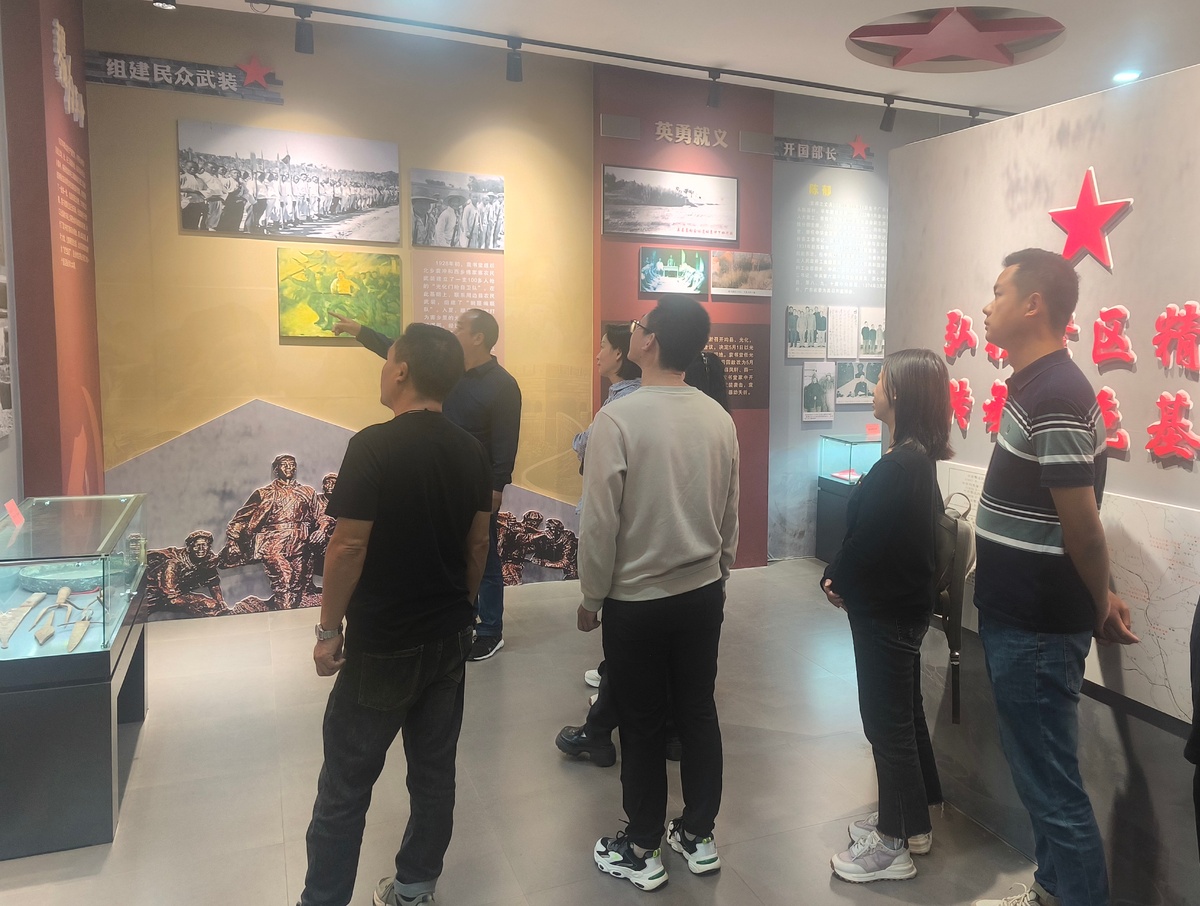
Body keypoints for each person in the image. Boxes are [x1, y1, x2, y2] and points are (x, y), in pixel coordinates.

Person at [297, 323, 492, 906]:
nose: (383, 371)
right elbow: (479, 544)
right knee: (433, 775)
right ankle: (415, 889)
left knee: (346, 783)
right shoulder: (471, 451)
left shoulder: (373, 446)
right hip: (448, 640)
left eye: (387, 363)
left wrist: (328, 630)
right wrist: (462, 609)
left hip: (382, 644)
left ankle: (323, 898)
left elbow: (347, 547)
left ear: (401, 370)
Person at [970, 249, 1139, 906]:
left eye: (999, 292)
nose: (988, 306)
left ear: (1033, 304)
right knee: (1038, 778)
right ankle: (1050, 890)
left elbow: (1084, 529)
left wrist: (1098, 599)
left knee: (1053, 790)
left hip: (1037, 626)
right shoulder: (1036, 387)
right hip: (1021, 616)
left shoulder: (1059, 393)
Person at [579, 295, 739, 891]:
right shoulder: (717, 417)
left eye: (638, 326)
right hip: (703, 592)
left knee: (642, 721)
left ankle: (642, 846)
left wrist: (592, 595)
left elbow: (600, 521)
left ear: (649, 342)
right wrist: (721, 567)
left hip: (637, 600)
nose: (632, 331)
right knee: (698, 710)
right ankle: (698, 835)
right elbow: (730, 506)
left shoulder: (618, 420)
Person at [820, 348, 951, 883]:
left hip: (887, 614)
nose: (872, 388)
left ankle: (893, 846)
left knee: (886, 724)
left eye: (879, 380)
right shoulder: (915, 460)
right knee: (903, 717)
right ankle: (911, 822)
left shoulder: (900, 467)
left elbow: (867, 541)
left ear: (899, 393)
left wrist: (835, 579)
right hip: (901, 610)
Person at [330, 308, 522, 661]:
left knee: (483, 551)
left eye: (460, 327)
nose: (454, 330)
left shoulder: (502, 385)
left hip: (472, 480)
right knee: (449, 548)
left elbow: (506, 440)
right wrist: (361, 331)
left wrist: (496, 485)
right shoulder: (448, 372)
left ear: (478, 337)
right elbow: (400, 350)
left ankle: (489, 629)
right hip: (436, 473)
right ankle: (458, 615)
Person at [219, 454, 319, 610]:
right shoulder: (264, 493)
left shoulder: (307, 492)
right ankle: (285, 618)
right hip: (273, 543)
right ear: (276, 469)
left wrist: (322, 528)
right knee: (284, 579)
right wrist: (233, 541)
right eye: (284, 464)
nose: (289, 467)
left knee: (297, 586)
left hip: (300, 544)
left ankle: (289, 615)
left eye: (292, 464)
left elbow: (320, 516)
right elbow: (240, 519)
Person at [144, 530, 227, 617]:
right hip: (155, 596)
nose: (201, 549)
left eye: (204, 545)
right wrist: (196, 606)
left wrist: (220, 601)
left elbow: (213, 583)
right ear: (189, 548)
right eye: (197, 546)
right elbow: (171, 596)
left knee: (212, 605)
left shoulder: (208, 561)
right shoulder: (173, 563)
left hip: (178, 594)